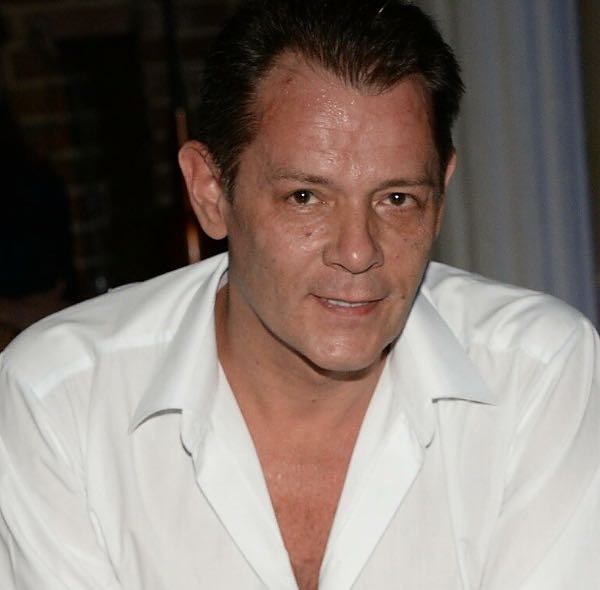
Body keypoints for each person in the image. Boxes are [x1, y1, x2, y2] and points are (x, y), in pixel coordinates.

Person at [0, 1, 598, 588]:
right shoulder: (62, 398)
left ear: (440, 196)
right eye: (305, 197)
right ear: (211, 192)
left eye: (397, 199)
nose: (358, 252)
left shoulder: (534, 373)